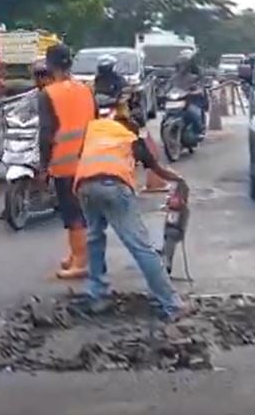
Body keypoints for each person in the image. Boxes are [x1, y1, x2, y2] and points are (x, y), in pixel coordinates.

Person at [73, 91, 189, 321]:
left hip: (84, 186)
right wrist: (179, 180)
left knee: (95, 238)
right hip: (113, 187)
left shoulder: (93, 129)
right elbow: (157, 169)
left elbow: (83, 157)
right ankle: (173, 305)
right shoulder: (129, 135)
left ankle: (97, 296)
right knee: (140, 246)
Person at [39, 44, 98, 280]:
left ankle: (81, 262)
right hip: (88, 157)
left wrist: (43, 167)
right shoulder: (85, 89)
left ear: (50, 65)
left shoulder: (49, 94)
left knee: (72, 212)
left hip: (64, 161)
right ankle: (76, 254)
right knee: (79, 210)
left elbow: (46, 133)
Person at [0, 57, 52, 221]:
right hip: (33, 135)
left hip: (53, 137)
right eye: (38, 75)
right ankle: (14, 204)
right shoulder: (32, 95)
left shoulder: (57, 94)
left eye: (44, 75)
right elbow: (19, 111)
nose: (41, 79)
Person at [166, 49, 205, 136]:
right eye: (180, 65)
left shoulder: (194, 76)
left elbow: (200, 86)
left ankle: (198, 132)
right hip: (177, 101)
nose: (182, 67)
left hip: (191, 100)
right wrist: (163, 93)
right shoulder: (174, 77)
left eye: (184, 65)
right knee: (166, 114)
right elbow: (168, 87)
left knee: (195, 114)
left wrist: (195, 91)